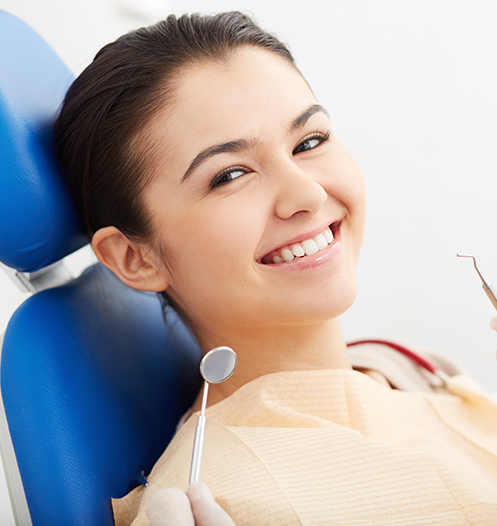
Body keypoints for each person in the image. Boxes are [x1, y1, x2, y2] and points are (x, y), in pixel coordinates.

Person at [54, 12, 497, 526]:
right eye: (230, 175)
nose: (308, 194)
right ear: (137, 258)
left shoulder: (403, 368)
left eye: (309, 142)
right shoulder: (216, 504)